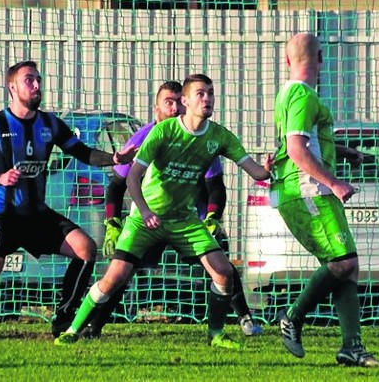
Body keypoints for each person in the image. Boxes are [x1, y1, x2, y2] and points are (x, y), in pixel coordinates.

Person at [55, 73, 272, 349]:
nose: (207, 99)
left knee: (223, 270)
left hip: (183, 220)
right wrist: (141, 213)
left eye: (211, 93)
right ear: (186, 101)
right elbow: (131, 178)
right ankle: (74, 329)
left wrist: (267, 168)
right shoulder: (162, 132)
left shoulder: (219, 136)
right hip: (146, 219)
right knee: (115, 277)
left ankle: (216, 334)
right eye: (200, 94)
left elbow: (255, 172)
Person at [0, 60, 136, 342]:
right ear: (12, 87)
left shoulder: (49, 124)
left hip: (37, 215)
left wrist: (112, 158)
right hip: (2, 215)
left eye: (38, 79)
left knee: (86, 249)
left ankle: (63, 319)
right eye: (30, 80)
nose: (37, 85)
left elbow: (83, 153)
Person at [270, 33, 379, 368]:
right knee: (344, 263)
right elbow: (295, 149)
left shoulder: (291, 94)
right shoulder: (302, 94)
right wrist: (333, 182)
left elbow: (306, 142)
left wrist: (345, 153)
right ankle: (292, 317)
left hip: (308, 190)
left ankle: (352, 347)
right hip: (308, 191)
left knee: (347, 267)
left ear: (287, 60)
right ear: (321, 59)